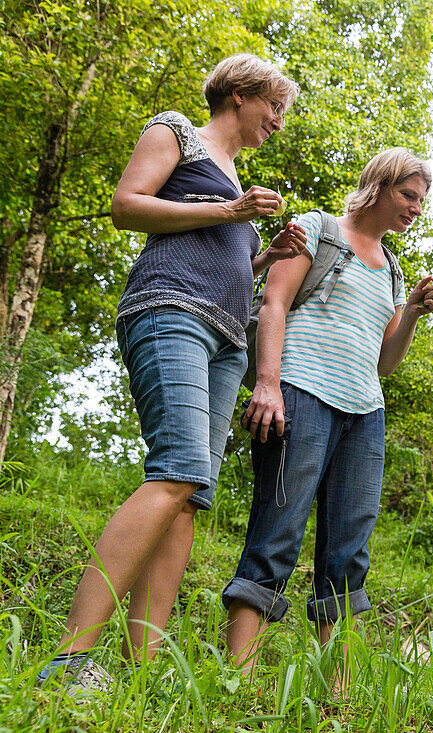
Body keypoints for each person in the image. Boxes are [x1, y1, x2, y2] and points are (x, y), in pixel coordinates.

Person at [35, 54, 305, 692]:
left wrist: (266, 254)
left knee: (190, 498)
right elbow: (127, 207)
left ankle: (137, 673)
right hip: (170, 311)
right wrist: (230, 212)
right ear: (240, 95)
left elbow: (221, 253)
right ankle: (69, 660)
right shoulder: (177, 132)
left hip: (226, 338)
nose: (278, 121)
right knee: (178, 470)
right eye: (275, 107)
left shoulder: (235, 175)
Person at [220, 148, 433, 688]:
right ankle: (236, 679)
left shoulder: (391, 268)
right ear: (379, 185)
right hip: (301, 392)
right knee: (278, 528)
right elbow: (274, 302)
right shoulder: (317, 229)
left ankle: (336, 687)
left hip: (364, 413)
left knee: (349, 548)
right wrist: (267, 384)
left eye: (421, 200)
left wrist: (409, 310)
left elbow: (384, 361)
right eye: (407, 195)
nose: (415, 208)